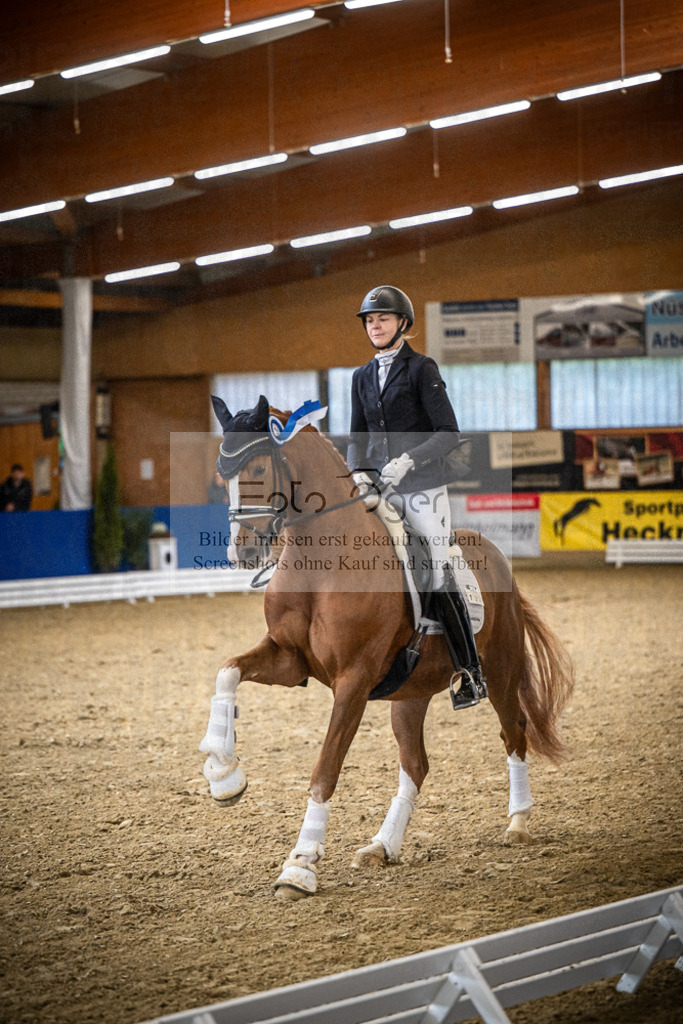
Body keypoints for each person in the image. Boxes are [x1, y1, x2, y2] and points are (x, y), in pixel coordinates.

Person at [346, 285, 485, 709]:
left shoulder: (422, 368)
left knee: (436, 565)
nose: (375, 325)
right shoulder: (361, 376)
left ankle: (470, 671)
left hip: (423, 488)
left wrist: (408, 459)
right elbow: (357, 436)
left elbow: (449, 433)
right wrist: (357, 472)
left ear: (402, 324)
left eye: (383, 319)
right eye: (370, 320)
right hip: (379, 488)